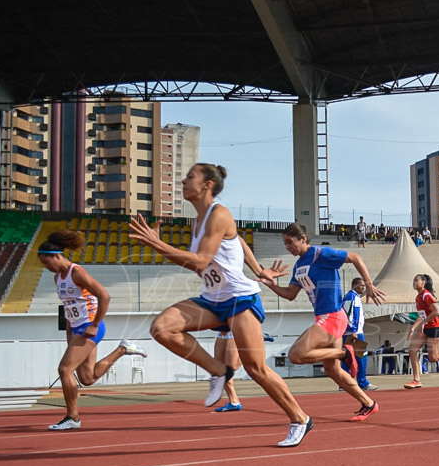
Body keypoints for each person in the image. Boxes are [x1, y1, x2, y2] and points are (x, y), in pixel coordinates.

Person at [128, 163, 315, 447]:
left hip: (239, 299)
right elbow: (215, 254)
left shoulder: (219, 214)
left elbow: (202, 260)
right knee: (162, 328)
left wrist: (159, 245)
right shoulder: (198, 223)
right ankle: (218, 370)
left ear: (207, 185)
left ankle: (300, 418)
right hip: (213, 299)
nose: (183, 181)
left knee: (256, 369)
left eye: (191, 176)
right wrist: (258, 268)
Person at [260, 223, 385, 422]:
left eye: (290, 242)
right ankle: (369, 403)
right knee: (332, 370)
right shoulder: (299, 266)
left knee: (295, 355)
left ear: (303, 239)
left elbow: (355, 257)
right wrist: (272, 285)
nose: (287, 247)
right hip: (324, 317)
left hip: (333, 316)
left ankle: (345, 352)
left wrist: (369, 284)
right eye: (285, 244)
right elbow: (290, 295)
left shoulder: (321, 254)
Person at [36, 230, 147, 430]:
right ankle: (123, 349)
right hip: (78, 328)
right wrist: (68, 332)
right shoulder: (58, 279)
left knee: (64, 369)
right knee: (87, 378)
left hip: (89, 327)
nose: (46, 268)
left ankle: (73, 417)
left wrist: (95, 324)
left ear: (57, 256)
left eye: (47, 263)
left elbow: (104, 296)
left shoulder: (77, 273)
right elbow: (69, 306)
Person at [341, 277, 378, 391]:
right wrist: (353, 331)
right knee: (361, 357)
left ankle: (345, 383)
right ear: (354, 285)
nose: (363, 287)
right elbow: (349, 314)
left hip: (354, 331)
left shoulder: (355, 297)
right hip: (354, 333)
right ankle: (362, 382)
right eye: (361, 285)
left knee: (348, 357)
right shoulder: (351, 297)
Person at [212, 329, 243, 412]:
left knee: (232, 367)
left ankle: (254, 341)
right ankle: (234, 402)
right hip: (223, 330)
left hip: (235, 329)